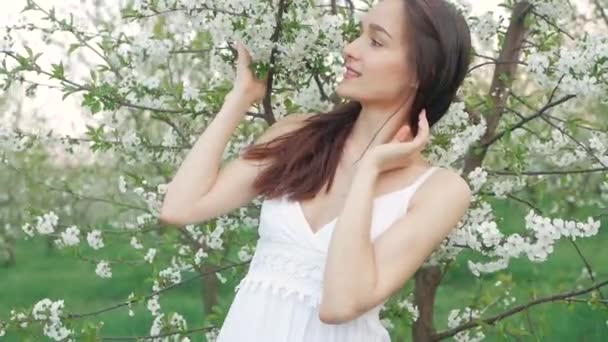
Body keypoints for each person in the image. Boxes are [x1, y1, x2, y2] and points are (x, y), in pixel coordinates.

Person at [160, 0, 473, 340]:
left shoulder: (439, 191)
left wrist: (368, 171)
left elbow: (339, 305)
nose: (350, 49)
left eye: (376, 41)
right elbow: (180, 207)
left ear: (421, 72)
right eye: (358, 34)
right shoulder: (298, 135)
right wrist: (239, 98)